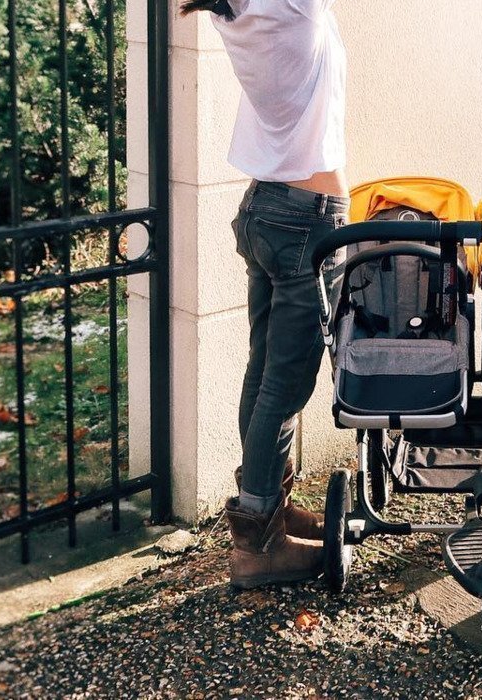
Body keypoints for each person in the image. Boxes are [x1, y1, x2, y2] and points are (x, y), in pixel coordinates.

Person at [180, 0, 349, 588]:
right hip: (306, 221)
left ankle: (267, 507)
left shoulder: (233, 10)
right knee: (286, 382)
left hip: (266, 209)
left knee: (263, 372)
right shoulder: (291, 6)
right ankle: (258, 545)